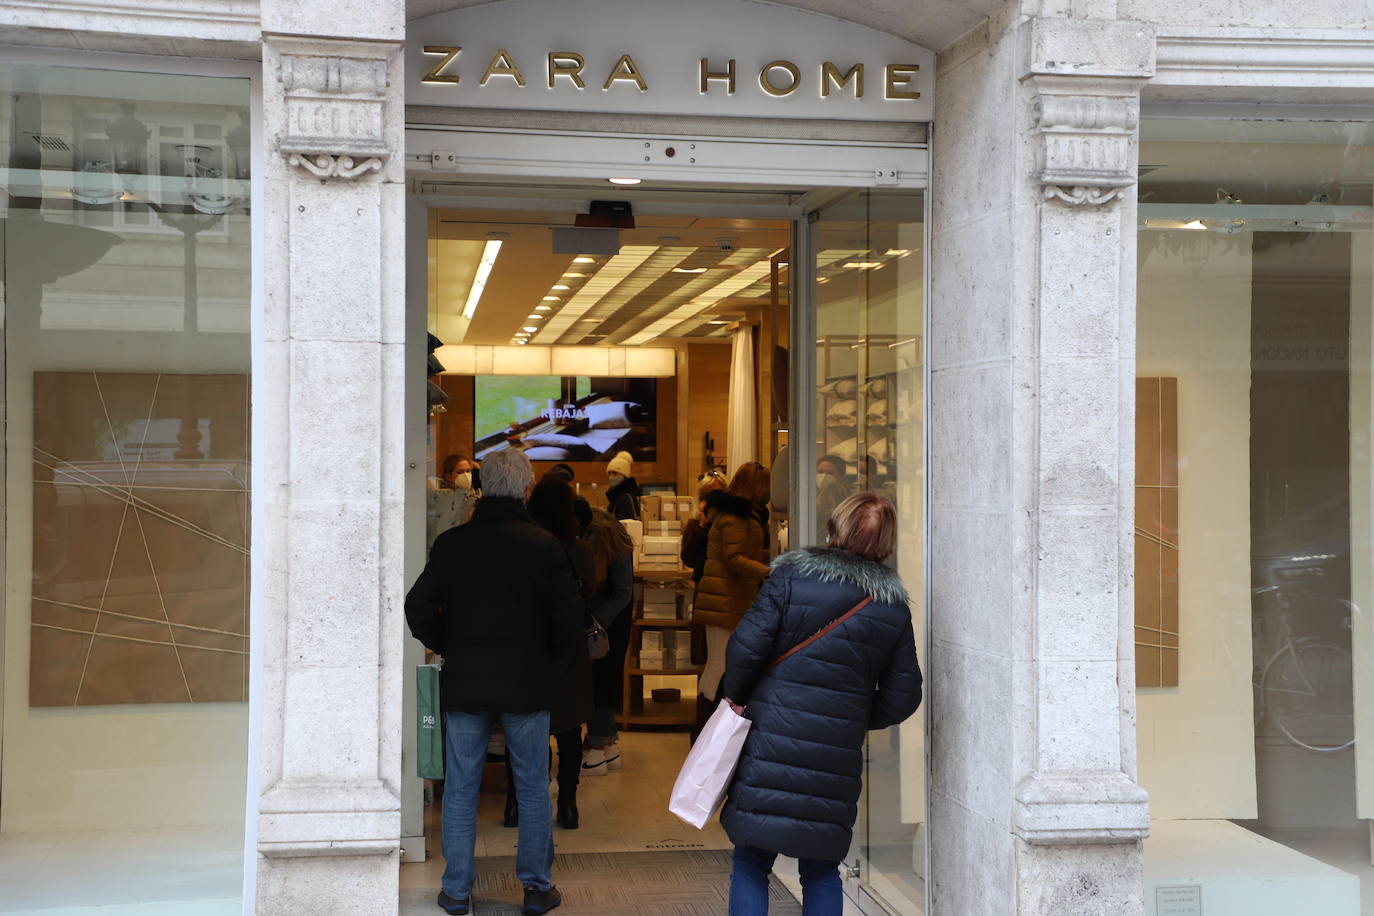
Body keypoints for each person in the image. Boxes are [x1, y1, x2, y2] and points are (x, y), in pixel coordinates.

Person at [720, 493, 923, 915]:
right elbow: (905, 696)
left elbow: (744, 648)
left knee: (752, 859)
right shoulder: (892, 607)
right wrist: (853, 717)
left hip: (770, 737)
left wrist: (737, 699)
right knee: (821, 868)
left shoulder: (791, 577)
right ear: (886, 543)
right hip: (835, 757)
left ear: (835, 528)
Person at [404, 448, 582, 916]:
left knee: (461, 787)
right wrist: (544, 657)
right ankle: (536, 887)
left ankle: (457, 891)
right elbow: (571, 622)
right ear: (526, 489)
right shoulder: (545, 546)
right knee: (531, 787)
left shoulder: (453, 544)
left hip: (467, 683)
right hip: (527, 684)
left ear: (480, 488)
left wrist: (450, 645)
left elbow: (417, 608)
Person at [525, 476, 596, 831]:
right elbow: (591, 594)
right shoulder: (579, 548)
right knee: (569, 730)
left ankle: (517, 803)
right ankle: (568, 804)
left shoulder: (526, 544)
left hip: (529, 643)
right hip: (570, 644)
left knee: (527, 727)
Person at [693, 462, 771, 728]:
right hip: (724, 601)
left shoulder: (739, 515)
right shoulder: (735, 517)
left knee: (720, 666)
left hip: (730, 600)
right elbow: (734, 557)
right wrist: (767, 571)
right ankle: (704, 730)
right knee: (717, 666)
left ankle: (709, 728)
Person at [579, 506, 635, 775]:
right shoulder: (616, 535)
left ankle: (597, 750)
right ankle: (609, 746)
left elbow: (620, 591)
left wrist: (593, 623)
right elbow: (624, 591)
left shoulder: (598, 537)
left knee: (598, 683)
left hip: (602, 623)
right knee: (607, 680)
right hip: (616, 621)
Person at [604, 450, 642, 520]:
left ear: (624, 475)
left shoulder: (626, 497)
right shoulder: (615, 495)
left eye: (615, 473)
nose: (611, 477)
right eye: (609, 473)